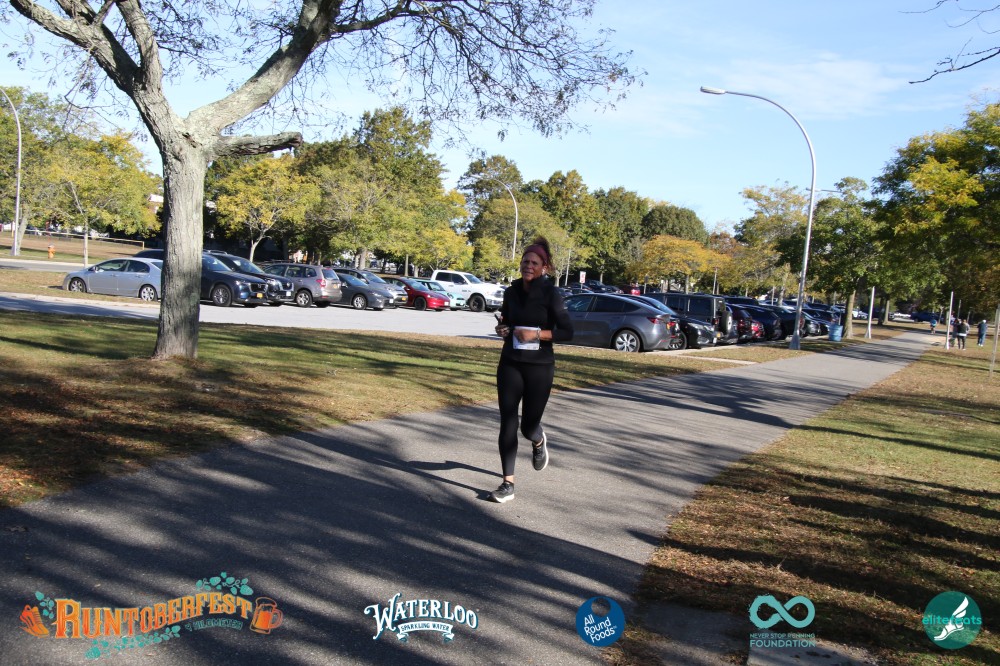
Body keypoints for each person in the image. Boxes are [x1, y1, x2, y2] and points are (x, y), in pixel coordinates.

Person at [490, 237, 574, 503]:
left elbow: (568, 332)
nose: (528, 265)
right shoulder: (511, 292)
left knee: (528, 427)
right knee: (508, 421)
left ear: (544, 267)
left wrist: (537, 334)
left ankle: (538, 441)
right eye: (525, 261)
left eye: (534, 262)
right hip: (511, 363)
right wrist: (502, 329)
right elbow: (505, 321)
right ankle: (508, 483)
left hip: (539, 367)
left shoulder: (551, 294)